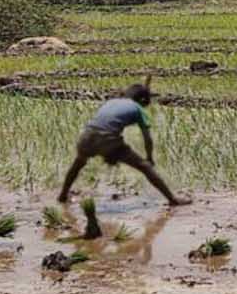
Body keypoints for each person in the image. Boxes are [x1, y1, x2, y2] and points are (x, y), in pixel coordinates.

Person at [58, 80, 191, 206]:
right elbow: (147, 137)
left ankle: (63, 195)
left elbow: (106, 122)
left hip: (87, 135)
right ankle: (172, 199)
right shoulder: (137, 108)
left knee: (78, 164)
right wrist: (149, 157)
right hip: (108, 139)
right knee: (145, 167)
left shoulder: (112, 102)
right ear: (143, 100)